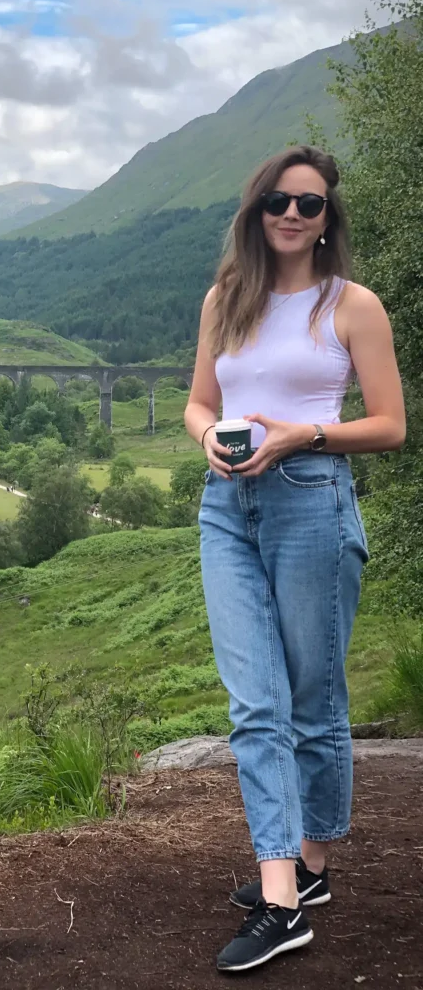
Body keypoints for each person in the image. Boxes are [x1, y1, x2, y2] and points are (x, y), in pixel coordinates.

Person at [184, 145, 405, 973]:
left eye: (308, 204)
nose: (290, 213)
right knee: (256, 704)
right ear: (256, 208)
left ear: (326, 220)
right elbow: (200, 401)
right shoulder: (224, 300)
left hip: (312, 496)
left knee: (314, 700)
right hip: (226, 508)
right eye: (277, 199)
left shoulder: (353, 307)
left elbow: (389, 425)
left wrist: (301, 435)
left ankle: (311, 867)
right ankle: (282, 900)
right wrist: (210, 436)